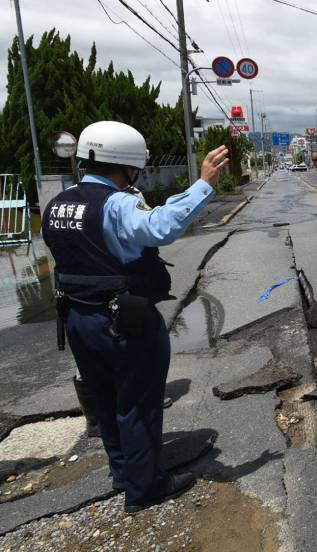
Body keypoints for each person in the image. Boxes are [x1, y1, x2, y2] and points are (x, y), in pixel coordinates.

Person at [42, 120, 229, 514]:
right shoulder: (117, 204)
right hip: (124, 319)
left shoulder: (58, 204)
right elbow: (160, 226)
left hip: (77, 318)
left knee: (106, 400)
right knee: (138, 402)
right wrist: (204, 183)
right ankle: (145, 488)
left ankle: (124, 472)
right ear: (128, 165)